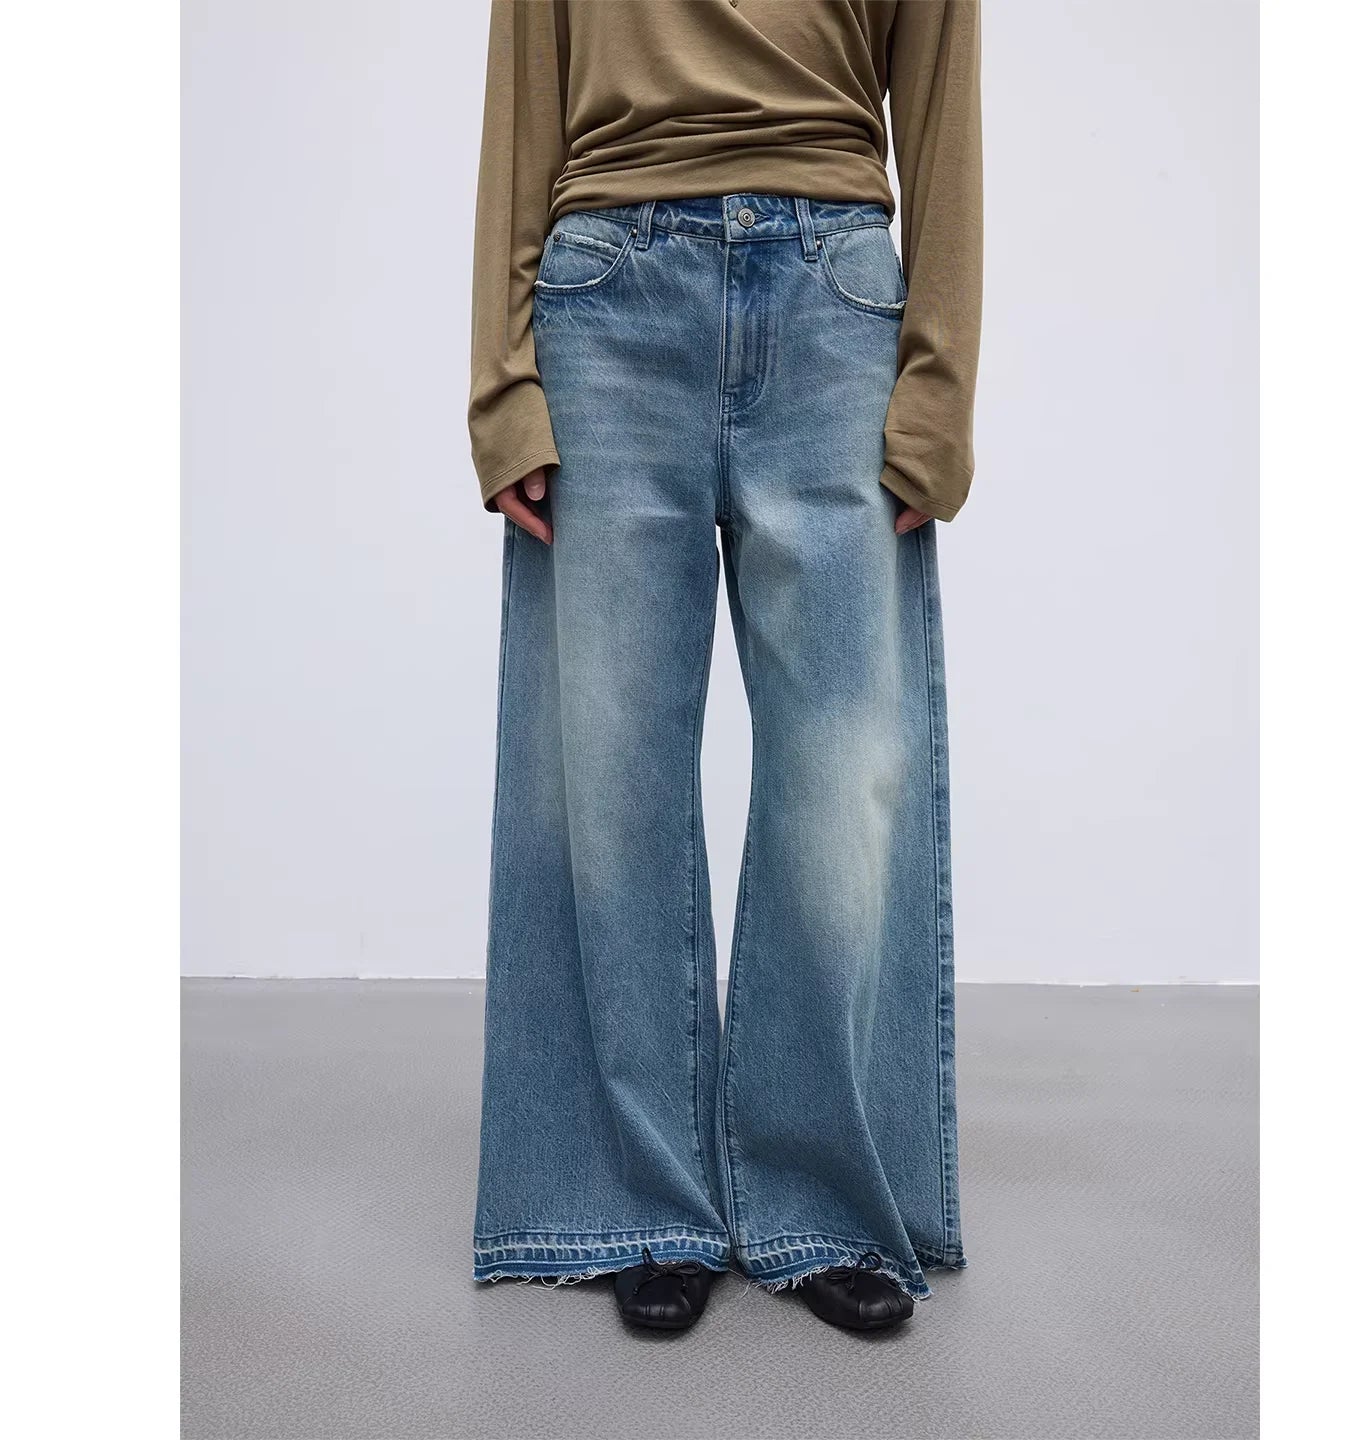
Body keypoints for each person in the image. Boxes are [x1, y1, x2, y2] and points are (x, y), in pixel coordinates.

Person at [467, 0, 981, 1334]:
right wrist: (503, 383)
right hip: (605, 294)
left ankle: (823, 1202)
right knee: (606, 770)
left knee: (844, 778)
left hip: (834, 299)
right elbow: (524, 81)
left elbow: (940, 98)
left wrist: (939, 388)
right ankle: (642, 1197)